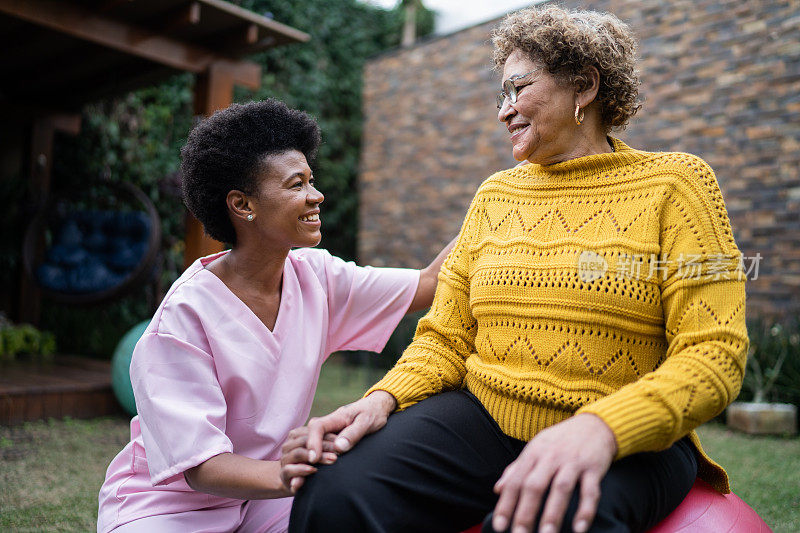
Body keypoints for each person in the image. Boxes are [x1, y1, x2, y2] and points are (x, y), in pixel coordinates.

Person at [286, 6, 748, 533]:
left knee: (546, 520)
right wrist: (383, 399)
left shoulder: (678, 186)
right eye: (500, 96)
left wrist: (602, 428)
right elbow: (445, 337)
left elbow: (714, 355)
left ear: (585, 86)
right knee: (336, 492)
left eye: (518, 88)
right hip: (485, 417)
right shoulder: (494, 195)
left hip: (629, 439)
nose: (504, 111)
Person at [96, 99, 454, 533]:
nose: (316, 195)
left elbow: (431, 282)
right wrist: (290, 474)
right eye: (295, 184)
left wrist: (506, 200)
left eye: (312, 180)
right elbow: (201, 467)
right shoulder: (184, 317)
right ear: (243, 205)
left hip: (265, 500)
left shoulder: (318, 277)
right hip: (169, 508)